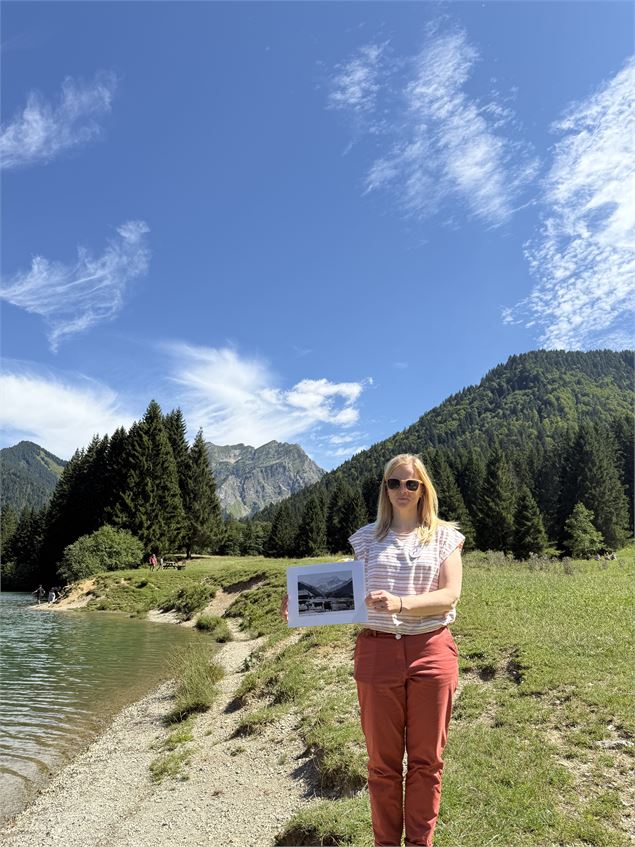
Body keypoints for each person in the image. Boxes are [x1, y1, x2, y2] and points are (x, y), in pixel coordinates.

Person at [281, 452, 463, 847]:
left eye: (411, 483)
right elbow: (337, 588)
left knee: (426, 763)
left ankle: (419, 844)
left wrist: (400, 603)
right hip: (377, 653)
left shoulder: (445, 536)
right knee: (382, 766)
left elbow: (450, 595)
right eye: (394, 483)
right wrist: (297, 600)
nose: (402, 490)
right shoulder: (366, 539)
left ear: (423, 489)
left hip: (431, 651)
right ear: (385, 489)